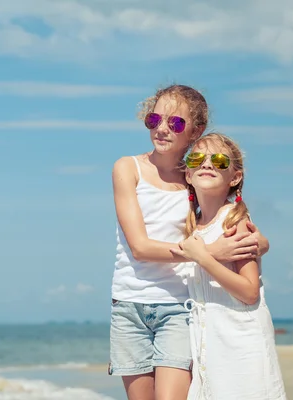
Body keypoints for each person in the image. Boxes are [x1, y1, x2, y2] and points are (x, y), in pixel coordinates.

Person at [109, 84, 270, 400]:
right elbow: (140, 247)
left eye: (176, 123)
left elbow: (230, 214)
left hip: (180, 305)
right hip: (127, 305)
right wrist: (210, 253)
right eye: (154, 120)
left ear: (195, 131)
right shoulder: (128, 168)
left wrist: (260, 242)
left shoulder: (195, 175)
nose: (162, 129)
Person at [170, 133, 286, 399]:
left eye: (220, 160)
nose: (207, 164)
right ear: (188, 174)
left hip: (241, 343)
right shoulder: (190, 227)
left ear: (235, 178)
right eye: (197, 158)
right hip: (209, 345)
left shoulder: (236, 223)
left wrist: (204, 258)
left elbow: (249, 292)